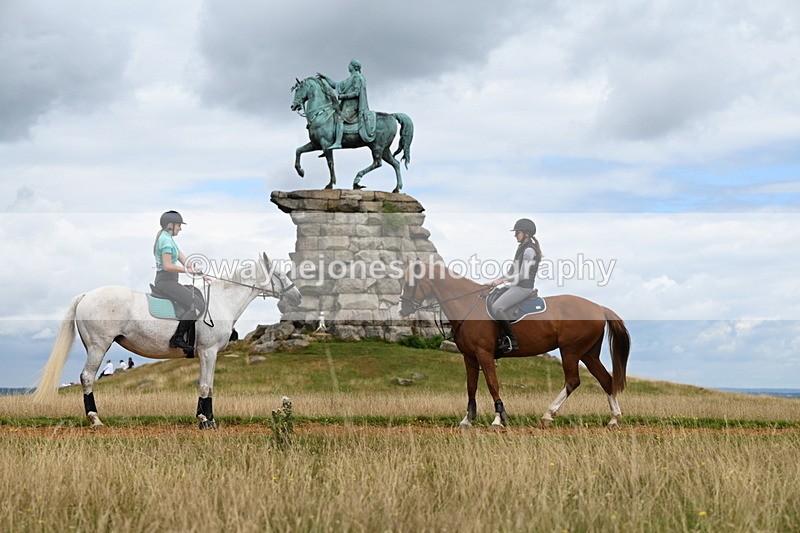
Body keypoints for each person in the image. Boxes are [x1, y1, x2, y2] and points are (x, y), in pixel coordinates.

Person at [153, 210, 207, 357]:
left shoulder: (169, 239)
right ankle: (177, 338)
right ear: (171, 225)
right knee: (196, 304)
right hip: (165, 281)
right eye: (179, 225)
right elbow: (167, 266)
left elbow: (184, 259)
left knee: (195, 296)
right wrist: (188, 271)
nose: (180, 228)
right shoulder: (165, 240)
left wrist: (201, 273)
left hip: (170, 280)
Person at [487, 218, 542, 353]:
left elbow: (523, 275)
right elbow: (511, 272)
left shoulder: (529, 250)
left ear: (526, 233)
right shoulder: (521, 248)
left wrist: (501, 281)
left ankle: (512, 340)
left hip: (524, 287)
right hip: (515, 285)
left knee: (497, 307)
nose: (515, 235)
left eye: (517, 232)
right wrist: (494, 281)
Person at [317, 59, 376, 149]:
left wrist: (343, 96)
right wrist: (325, 78)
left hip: (353, 107)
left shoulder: (358, 78)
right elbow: (335, 85)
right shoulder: (350, 79)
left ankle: (338, 142)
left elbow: (356, 93)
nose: (348, 66)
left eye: (350, 65)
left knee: (340, 119)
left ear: (354, 66)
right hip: (346, 106)